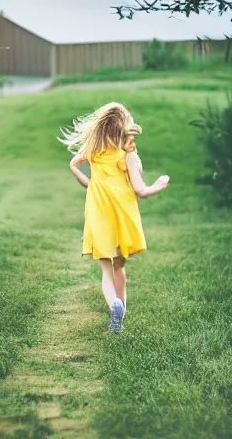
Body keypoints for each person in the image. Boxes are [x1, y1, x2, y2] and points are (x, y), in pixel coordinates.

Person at [58, 102, 170, 333]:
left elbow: (74, 165)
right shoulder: (129, 157)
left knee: (105, 270)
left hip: (99, 214)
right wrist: (158, 185)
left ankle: (114, 305)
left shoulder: (93, 152)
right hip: (122, 215)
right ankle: (121, 312)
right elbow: (141, 191)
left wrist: (89, 183)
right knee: (119, 266)